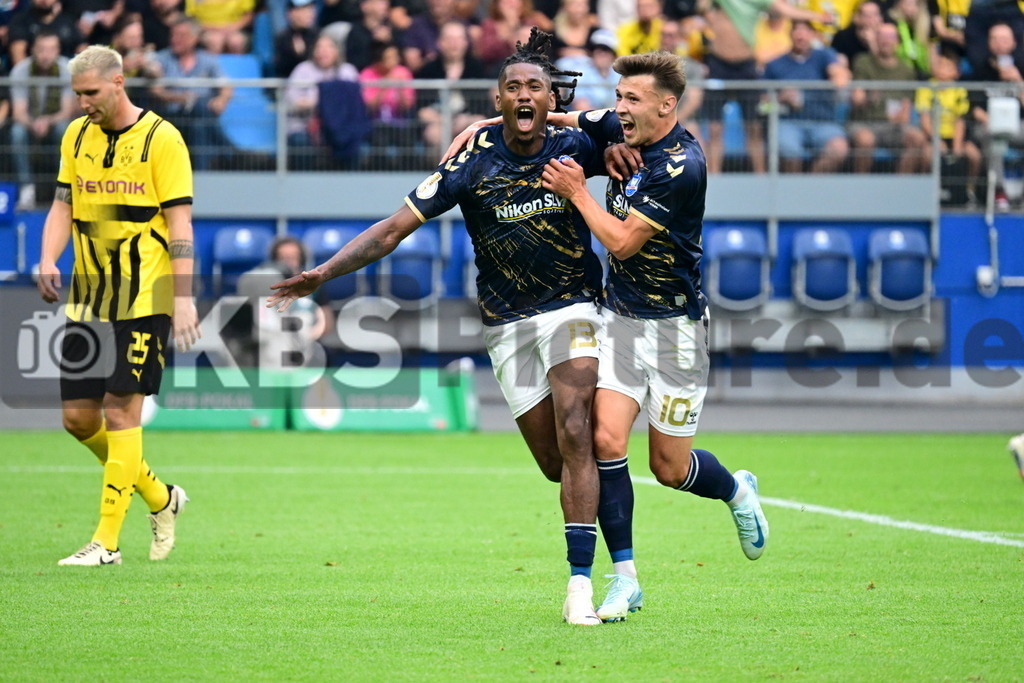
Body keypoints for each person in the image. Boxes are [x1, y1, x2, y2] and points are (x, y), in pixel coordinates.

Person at [268, 28, 612, 626]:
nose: (525, 95)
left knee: (578, 429)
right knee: (556, 461)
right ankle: (598, 497)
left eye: (535, 86)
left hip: (574, 306)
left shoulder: (575, 147)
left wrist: (607, 137)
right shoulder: (470, 161)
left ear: (548, 96)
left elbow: (636, 132)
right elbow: (393, 228)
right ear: (497, 101)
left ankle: (581, 582)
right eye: (514, 88)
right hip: (507, 323)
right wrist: (322, 273)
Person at [538, 50, 769, 622]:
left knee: (670, 467)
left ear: (667, 105)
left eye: (632, 99)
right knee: (605, 442)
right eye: (618, 98)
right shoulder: (619, 125)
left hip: (675, 331)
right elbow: (564, 119)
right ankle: (626, 580)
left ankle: (736, 490)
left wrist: (577, 191)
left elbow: (620, 242)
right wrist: (480, 126)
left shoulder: (681, 166)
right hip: (619, 320)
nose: (620, 109)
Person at [35, 44, 200, 566]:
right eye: (77, 93)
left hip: (146, 292)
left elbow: (180, 224)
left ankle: (106, 543)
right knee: (79, 421)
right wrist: (47, 257)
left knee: (120, 411)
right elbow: (64, 204)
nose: (83, 102)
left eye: (91, 93)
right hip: (89, 293)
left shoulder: (161, 138)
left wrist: (185, 297)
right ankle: (159, 496)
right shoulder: (75, 136)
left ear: (119, 82)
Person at [696, 0, 831, 174]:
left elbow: (784, 9)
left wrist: (817, 16)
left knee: (754, 128)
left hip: (746, 66)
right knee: (714, 129)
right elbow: (700, 8)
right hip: (718, 65)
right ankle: (713, 177)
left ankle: (760, 178)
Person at [762, 20, 850, 174]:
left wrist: (837, 75)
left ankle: (812, 185)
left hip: (823, 122)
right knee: (789, 152)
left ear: (812, 35)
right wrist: (781, 97)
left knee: (839, 148)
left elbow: (840, 75)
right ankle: (794, 192)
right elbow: (762, 103)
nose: (800, 36)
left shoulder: (824, 56)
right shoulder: (775, 64)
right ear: (790, 35)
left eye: (805, 31)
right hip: (789, 123)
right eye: (796, 31)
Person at [147, 15, 233, 170]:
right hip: (172, 118)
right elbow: (156, 91)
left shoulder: (207, 60)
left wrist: (221, 99)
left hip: (199, 119)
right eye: (173, 35)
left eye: (181, 35)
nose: (175, 39)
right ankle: (231, 152)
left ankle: (202, 173)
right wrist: (182, 99)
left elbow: (226, 86)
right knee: (200, 106)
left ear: (194, 38)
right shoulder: (162, 58)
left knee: (199, 121)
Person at [848, 21, 929, 174]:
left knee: (917, 138)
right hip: (865, 123)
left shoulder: (906, 70)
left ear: (897, 41)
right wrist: (866, 99)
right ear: (876, 39)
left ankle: (900, 188)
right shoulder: (863, 62)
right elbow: (856, 98)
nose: (886, 40)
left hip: (894, 126)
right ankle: (860, 189)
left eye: (890, 36)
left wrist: (901, 118)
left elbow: (906, 106)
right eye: (882, 36)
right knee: (865, 140)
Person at [9, 29, 76, 209]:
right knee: (16, 132)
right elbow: (19, 112)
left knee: (64, 130)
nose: (46, 55)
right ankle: (26, 188)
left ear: (58, 50)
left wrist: (47, 121)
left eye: (51, 49)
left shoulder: (66, 69)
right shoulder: (20, 70)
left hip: (56, 122)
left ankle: (63, 188)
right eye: (41, 49)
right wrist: (34, 123)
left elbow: (67, 110)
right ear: (33, 50)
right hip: (30, 123)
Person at [965, 22, 1024, 211]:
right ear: (989, 43)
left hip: (1017, 126)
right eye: (995, 39)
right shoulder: (980, 70)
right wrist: (992, 122)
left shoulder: (1021, 68)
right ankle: (999, 192)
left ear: (1014, 43)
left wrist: (1018, 81)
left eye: (1004, 39)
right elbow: (973, 108)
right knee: (992, 137)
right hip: (988, 125)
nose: (999, 43)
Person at [916, 45, 981, 204]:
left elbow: (959, 120)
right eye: (939, 64)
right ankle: (926, 190)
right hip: (932, 136)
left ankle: (969, 190)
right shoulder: (926, 88)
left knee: (974, 155)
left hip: (954, 135)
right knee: (927, 155)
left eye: (947, 66)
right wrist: (936, 140)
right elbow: (925, 119)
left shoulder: (959, 91)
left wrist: (957, 145)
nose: (942, 68)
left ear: (956, 72)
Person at [7, 0, 84, 64]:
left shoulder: (67, 21)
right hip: (31, 75)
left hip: (65, 76)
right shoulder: (21, 20)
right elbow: (18, 53)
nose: (44, 1)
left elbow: (82, 48)